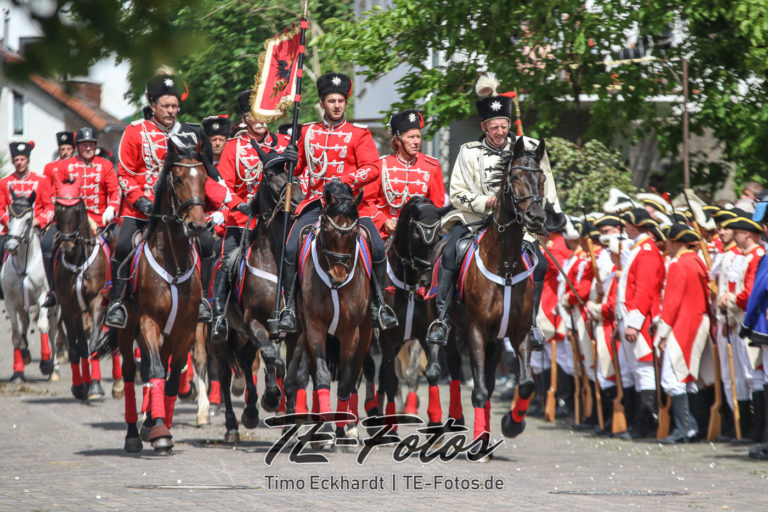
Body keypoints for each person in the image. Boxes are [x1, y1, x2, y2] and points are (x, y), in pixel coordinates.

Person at [426, 72, 562, 349]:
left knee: (542, 264)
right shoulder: (468, 151)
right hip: (476, 220)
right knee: (450, 252)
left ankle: (531, 322)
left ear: (510, 123)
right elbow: (459, 192)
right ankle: (441, 317)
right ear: (484, 126)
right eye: (494, 127)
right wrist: (486, 202)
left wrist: (548, 215)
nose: (500, 132)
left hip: (518, 225)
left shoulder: (527, 148)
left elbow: (544, 185)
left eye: (504, 125)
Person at [103, 72, 237, 331]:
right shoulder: (134, 132)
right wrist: (139, 200)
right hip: (141, 210)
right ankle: (117, 303)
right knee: (121, 246)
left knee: (208, 243)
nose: (171, 111)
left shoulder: (190, 134)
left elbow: (203, 175)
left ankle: (204, 303)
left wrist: (223, 204)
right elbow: (125, 174)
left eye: (174, 106)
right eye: (165, 106)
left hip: (179, 210)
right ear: (152, 105)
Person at [277, 72, 397, 333]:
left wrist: (347, 181)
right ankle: (287, 307)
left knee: (377, 248)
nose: (336, 106)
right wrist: (289, 158)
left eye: (341, 101)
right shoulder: (307, 132)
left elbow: (373, 168)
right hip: (316, 205)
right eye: (331, 101)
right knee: (288, 249)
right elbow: (296, 170)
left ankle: (378, 306)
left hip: (352, 207)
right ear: (322, 103)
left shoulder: (359, 134)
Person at [209, 90, 286, 340]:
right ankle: (219, 315)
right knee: (226, 261)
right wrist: (238, 204)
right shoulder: (233, 148)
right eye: (256, 113)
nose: (262, 117)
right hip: (243, 223)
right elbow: (220, 185)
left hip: (279, 223)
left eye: (265, 111)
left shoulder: (283, 144)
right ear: (246, 117)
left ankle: (295, 310)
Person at [41, 127, 121, 306]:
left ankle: (116, 293)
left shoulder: (105, 165)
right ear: (77, 146)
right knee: (46, 243)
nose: (88, 148)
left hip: (100, 219)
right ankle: (53, 290)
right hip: (69, 220)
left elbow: (115, 191)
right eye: (84, 144)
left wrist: (112, 208)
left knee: (120, 243)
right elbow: (54, 191)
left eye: (91, 144)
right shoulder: (65, 165)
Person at [655, 224, 710, 443]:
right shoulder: (696, 261)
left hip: (683, 324)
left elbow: (672, 303)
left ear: (675, 242)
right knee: (686, 378)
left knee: (673, 377)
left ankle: (685, 428)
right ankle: (692, 427)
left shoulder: (679, 264)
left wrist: (662, 334)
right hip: (695, 321)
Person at [616, 208, 666, 438]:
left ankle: (645, 423)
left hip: (639, 319)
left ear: (634, 225)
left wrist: (634, 323)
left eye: (626, 224)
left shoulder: (646, 251)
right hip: (628, 317)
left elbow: (644, 290)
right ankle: (637, 422)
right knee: (634, 371)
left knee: (644, 370)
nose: (624, 228)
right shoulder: (639, 249)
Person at [718, 210, 766, 443]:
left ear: (747, 234)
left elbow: (750, 292)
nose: (733, 236)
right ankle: (746, 427)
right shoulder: (744, 256)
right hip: (737, 319)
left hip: (749, 320)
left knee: (754, 374)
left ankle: (757, 430)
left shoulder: (757, 256)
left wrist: (731, 301)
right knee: (742, 375)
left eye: (737, 233)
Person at [361, 109, 445, 240]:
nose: (416, 141)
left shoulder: (432, 166)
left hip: (419, 236)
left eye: (418, 136)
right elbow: (367, 202)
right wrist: (384, 221)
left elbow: (436, 206)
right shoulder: (380, 165)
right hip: (384, 235)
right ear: (398, 140)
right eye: (411, 137)